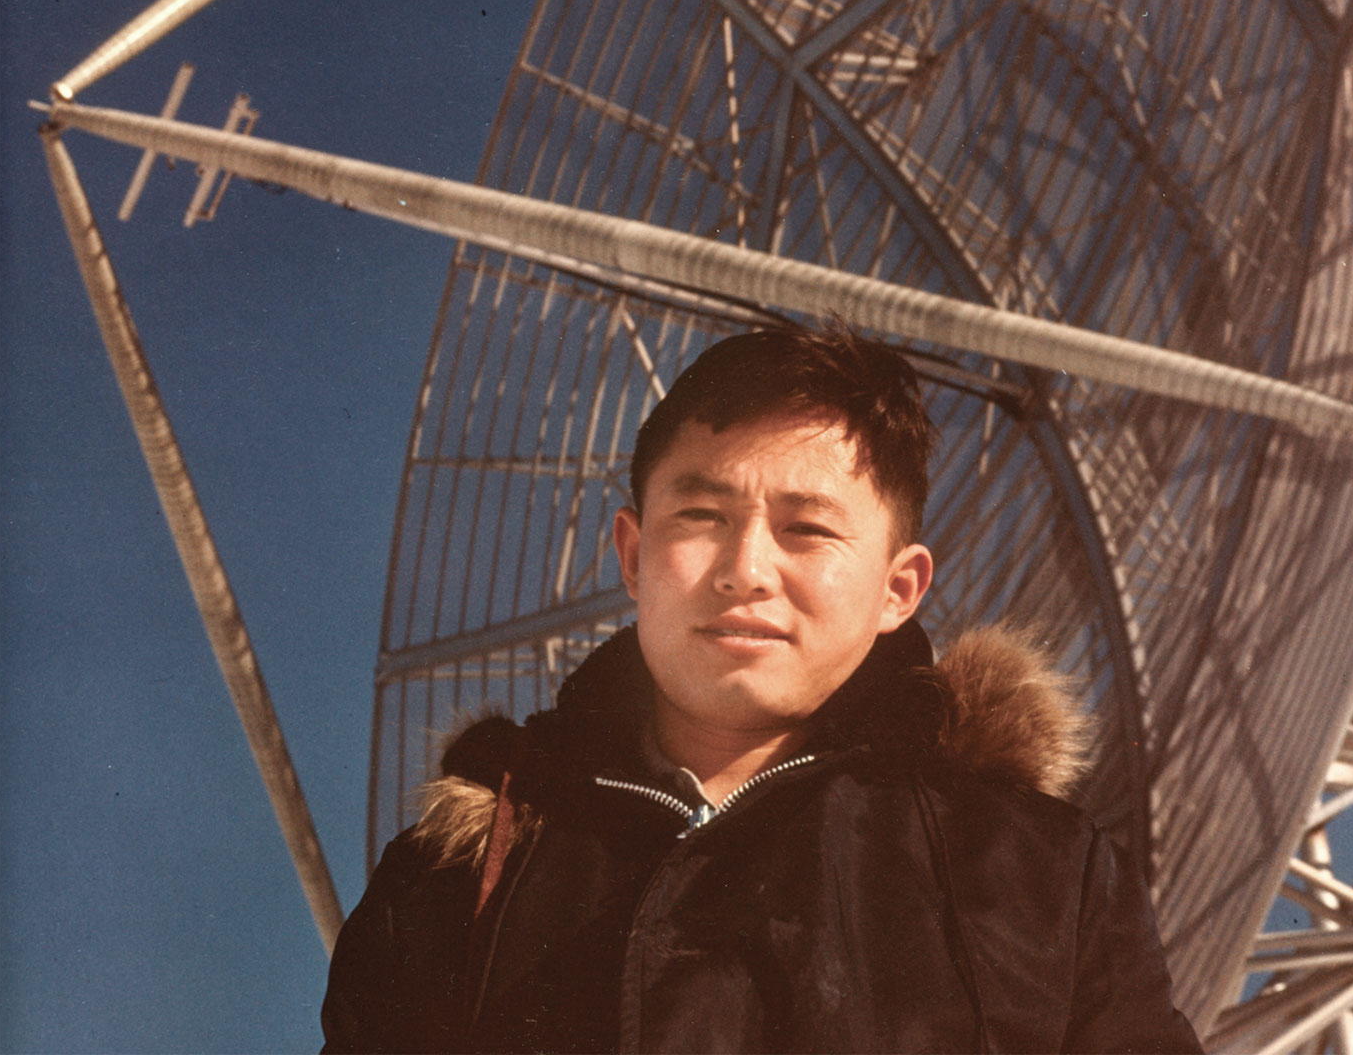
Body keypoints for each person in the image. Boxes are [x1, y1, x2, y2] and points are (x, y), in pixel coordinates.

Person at [322, 321, 1201, 1054]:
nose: (745, 569)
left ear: (898, 589)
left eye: (806, 529)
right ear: (633, 555)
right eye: (701, 516)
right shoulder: (451, 881)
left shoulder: (1040, 878)